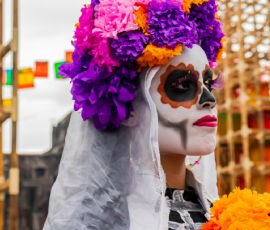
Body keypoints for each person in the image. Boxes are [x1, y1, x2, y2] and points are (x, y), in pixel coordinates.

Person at [44, 0, 224, 229]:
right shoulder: (104, 219)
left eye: (208, 83)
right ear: (131, 108)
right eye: (181, 85)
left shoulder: (224, 215)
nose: (209, 100)